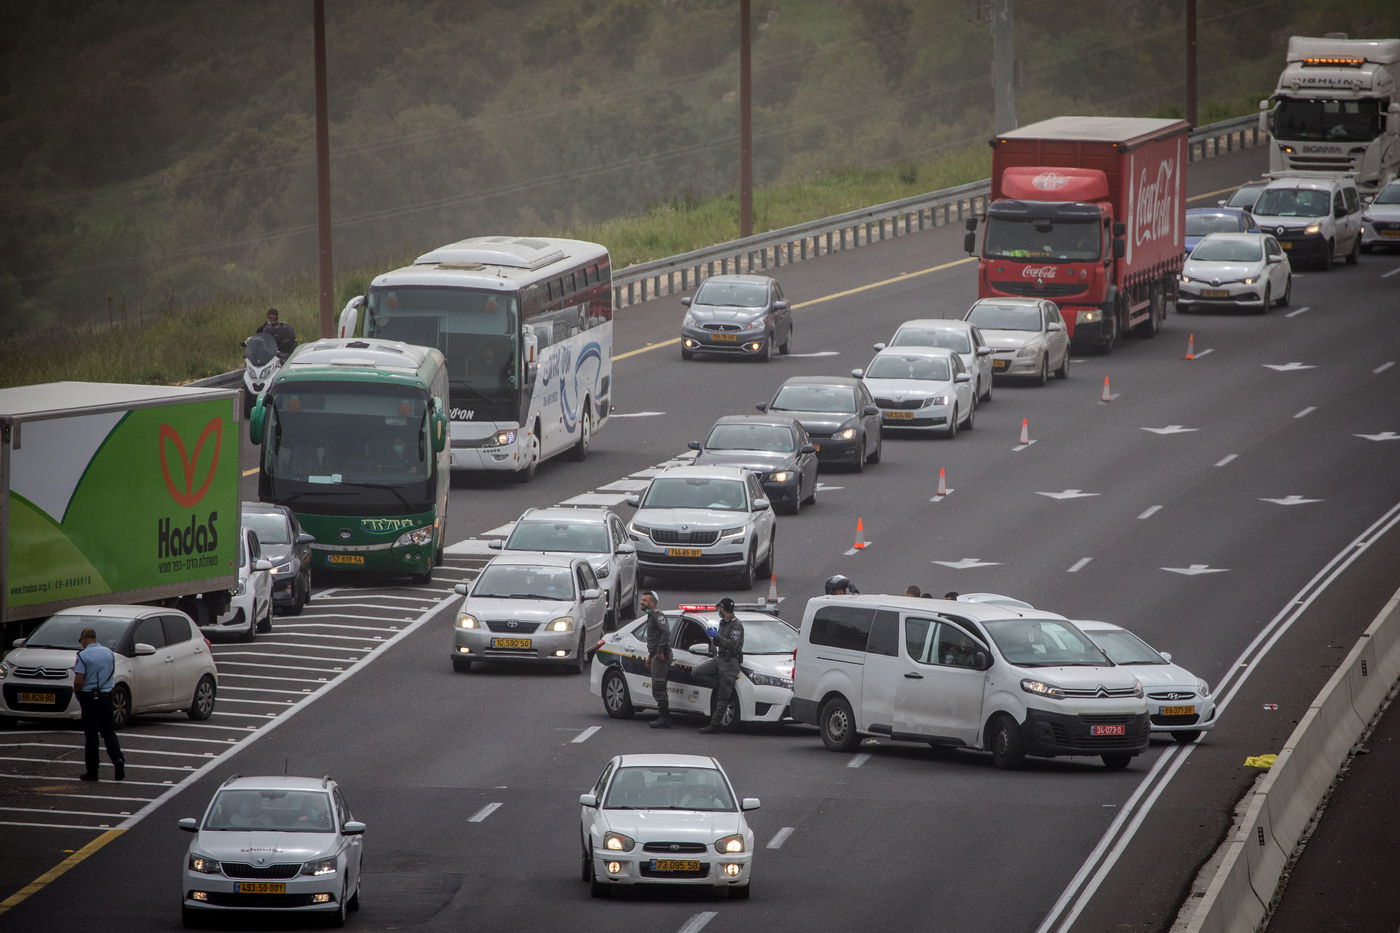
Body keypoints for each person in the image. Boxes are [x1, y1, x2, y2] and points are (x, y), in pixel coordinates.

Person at [73, 627, 124, 782]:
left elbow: (79, 680)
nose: (81, 644)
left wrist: (78, 693)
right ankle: (118, 759)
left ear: (86, 639)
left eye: (81, 641)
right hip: (107, 696)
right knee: (109, 732)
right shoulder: (109, 653)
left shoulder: (83, 655)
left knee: (91, 736)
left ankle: (92, 771)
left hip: (90, 697)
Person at [694, 598, 744, 734]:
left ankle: (714, 724)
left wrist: (718, 637)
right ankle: (719, 685)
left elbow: (733, 644)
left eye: (720, 608)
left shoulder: (736, 625)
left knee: (723, 697)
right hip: (720, 658)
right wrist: (713, 637)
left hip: (730, 661)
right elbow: (720, 643)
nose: (718, 611)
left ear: (724, 608)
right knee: (697, 673)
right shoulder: (723, 623)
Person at [640, 591, 673, 729]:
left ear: (653, 603)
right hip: (655, 655)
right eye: (641, 600)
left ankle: (664, 718)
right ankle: (664, 716)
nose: (641, 602)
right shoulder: (651, 615)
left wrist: (659, 652)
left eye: (645, 600)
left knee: (658, 687)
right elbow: (654, 638)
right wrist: (650, 656)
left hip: (662, 656)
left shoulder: (657, 615)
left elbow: (666, 632)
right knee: (658, 686)